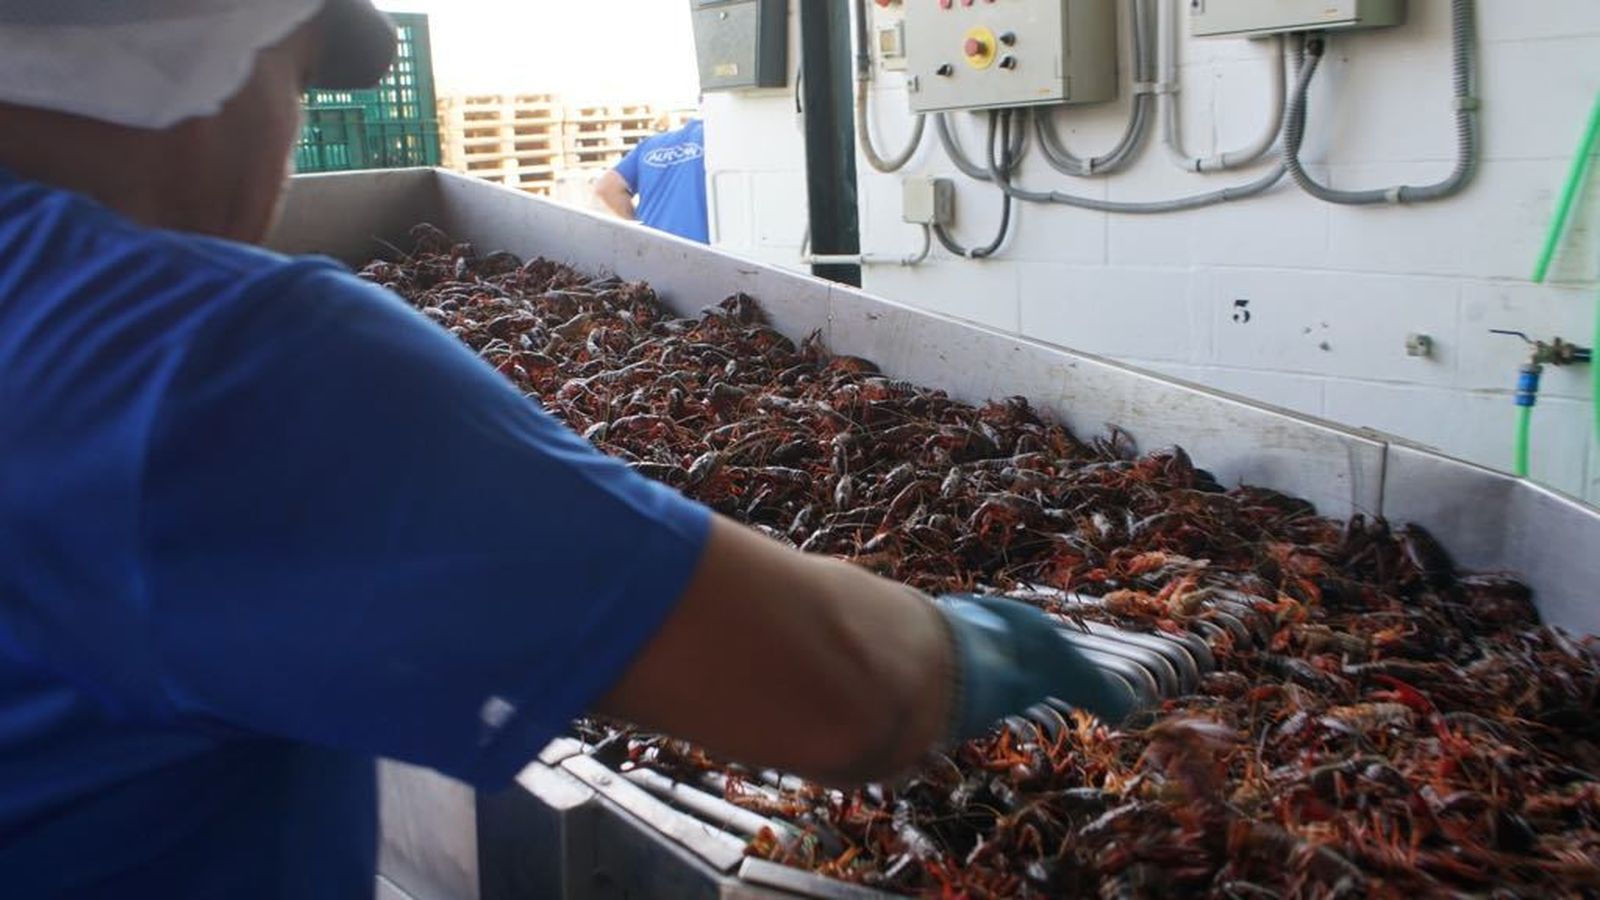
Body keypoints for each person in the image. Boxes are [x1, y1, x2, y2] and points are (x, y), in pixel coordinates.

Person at [0, 2, 1141, 896]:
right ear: (206, 59)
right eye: (296, 79)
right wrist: (986, 651)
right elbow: (841, 691)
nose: (287, 147)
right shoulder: (211, 358)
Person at [595, 115, 710, 243]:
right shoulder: (720, 141)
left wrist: (639, 225)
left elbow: (607, 187)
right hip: (702, 252)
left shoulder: (652, 143)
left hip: (651, 248)